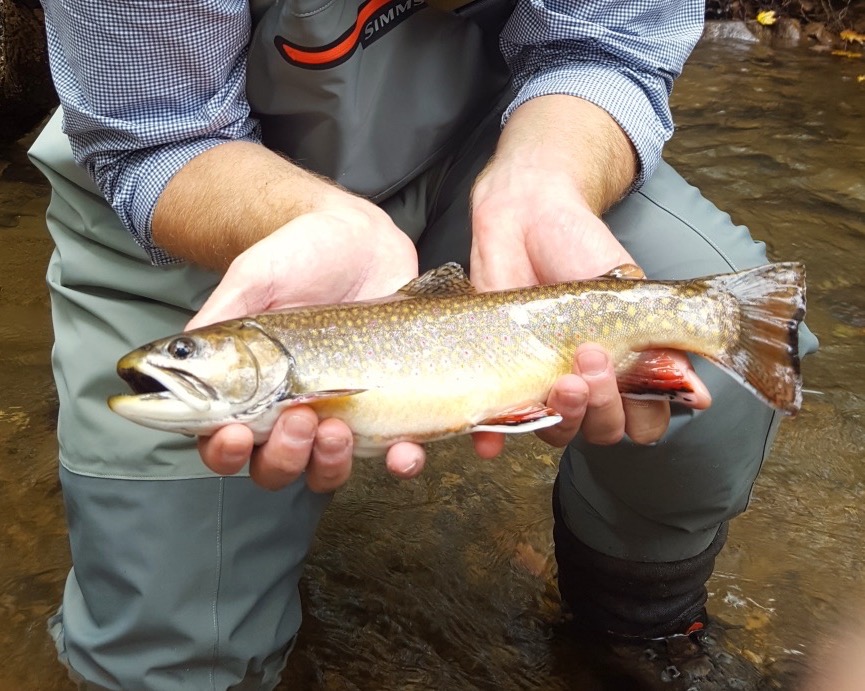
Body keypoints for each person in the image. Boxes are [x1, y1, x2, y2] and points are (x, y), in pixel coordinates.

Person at [28, 0, 817, 688]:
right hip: (204, 203)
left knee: (699, 390)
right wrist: (326, 222)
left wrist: (543, 179)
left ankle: (635, 635)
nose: (179, 363)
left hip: (493, 144)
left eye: (187, 356)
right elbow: (155, 137)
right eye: (189, 361)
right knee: (165, 662)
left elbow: (606, 47)